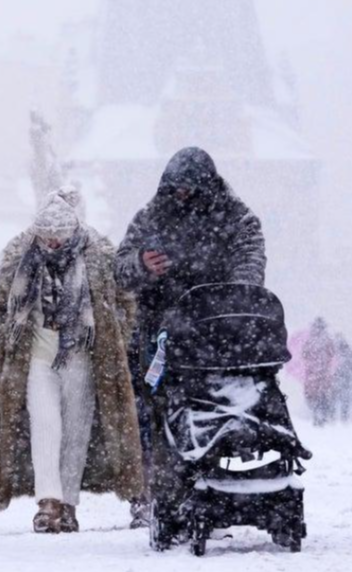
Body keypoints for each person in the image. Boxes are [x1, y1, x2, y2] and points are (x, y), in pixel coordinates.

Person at [115, 146, 266, 549]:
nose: (181, 196)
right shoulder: (151, 216)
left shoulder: (237, 218)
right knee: (159, 413)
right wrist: (143, 266)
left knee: (216, 409)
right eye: (175, 189)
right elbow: (120, 269)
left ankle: (212, 487)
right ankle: (159, 496)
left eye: (188, 190)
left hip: (219, 333)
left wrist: (229, 302)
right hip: (162, 334)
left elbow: (250, 268)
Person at [0, 188, 143, 533]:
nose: (53, 244)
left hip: (84, 358)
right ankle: (49, 503)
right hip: (37, 357)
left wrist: (117, 338)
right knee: (45, 428)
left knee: (77, 431)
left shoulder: (98, 253)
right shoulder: (21, 256)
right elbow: (0, 306)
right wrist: (3, 345)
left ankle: (68, 503)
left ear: (72, 231)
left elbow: (126, 300)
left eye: (59, 237)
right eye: (47, 237)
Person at [302, 318, 337, 426]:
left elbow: (304, 354)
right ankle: (322, 415)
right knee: (323, 394)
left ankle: (316, 414)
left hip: (312, 373)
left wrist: (311, 360)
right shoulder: (327, 339)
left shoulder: (309, 340)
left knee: (312, 395)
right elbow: (332, 353)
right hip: (323, 372)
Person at [331, 334, 352, 423]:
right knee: (344, 400)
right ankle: (343, 418)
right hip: (346, 379)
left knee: (334, 399)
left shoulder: (333, 353)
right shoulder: (349, 353)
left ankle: (334, 417)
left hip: (336, 379)